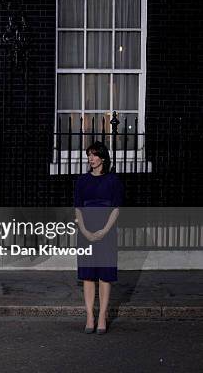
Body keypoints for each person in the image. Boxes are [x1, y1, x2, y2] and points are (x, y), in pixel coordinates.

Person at [75, 141, 123, 335]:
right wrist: (84, 231)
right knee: (87, 275)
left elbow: (116, 209)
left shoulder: (113, 181)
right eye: (89, 155)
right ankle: (89, 316)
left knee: (105, 275)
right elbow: (77, 208)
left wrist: (104, 231)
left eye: (94, 155)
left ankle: (102, 316)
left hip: (107, 232)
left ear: (103, 158)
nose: (91, 158)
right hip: (85, 231)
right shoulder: (82, 181)